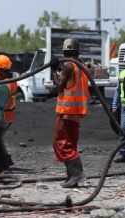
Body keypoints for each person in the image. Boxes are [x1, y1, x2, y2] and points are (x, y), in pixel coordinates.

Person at [51, 38, 89, 188]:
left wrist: (53, 70)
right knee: (69, 143)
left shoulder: (68, 65)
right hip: (76, 111)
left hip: (67, 111)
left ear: (66, 51)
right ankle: (72, 176)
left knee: (61, 143)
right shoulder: (81, 65)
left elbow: (60, 86)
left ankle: (77, 174)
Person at [112, 69, 125, 163]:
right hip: (124, 107)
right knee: (122, 130)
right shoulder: (122, 73)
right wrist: (114, 104)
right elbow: (118, 90)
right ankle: (122, 153)